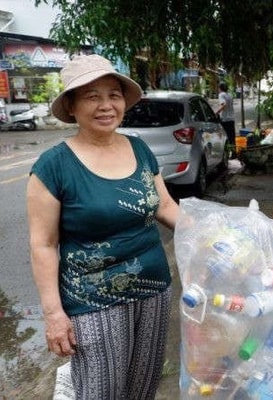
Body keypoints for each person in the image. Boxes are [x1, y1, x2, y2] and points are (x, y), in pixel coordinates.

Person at [27, 54, 180, 399]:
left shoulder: (140, 149)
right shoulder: (53, 167)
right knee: (101, 391)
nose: (106, 105)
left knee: (143, 388)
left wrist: (215, 233)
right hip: (92, 299)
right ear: (71, 105)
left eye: (113, 94)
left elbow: (165, 205)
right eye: (92, 96)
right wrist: (54, 314)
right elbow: (43, 244)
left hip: (153, 288)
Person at [215, 82, 236, 157]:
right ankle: (234, 154)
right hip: (231, 119)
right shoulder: (230, 95)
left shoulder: (221, 95)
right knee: (232, 138)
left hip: (224, 119)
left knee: (224, 138)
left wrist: (216, 113)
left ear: (220, 88)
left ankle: (225, 155)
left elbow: (224, 104)